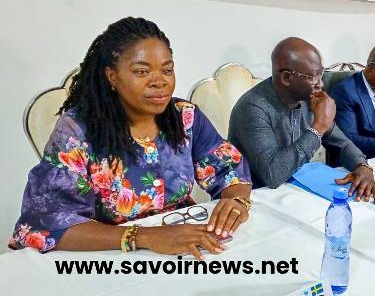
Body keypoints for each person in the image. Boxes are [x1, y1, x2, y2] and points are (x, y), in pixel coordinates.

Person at [10, 17, 252, 259]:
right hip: (109, 255)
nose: (160, 81)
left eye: (167, 70)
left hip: (186, 244)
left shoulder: (184, 117)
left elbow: (229, 168)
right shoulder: (78, 131)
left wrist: (236, 201)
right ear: (112, 76)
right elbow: (47, 223)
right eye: (141, 71)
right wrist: (145, 237)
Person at [228, 37, 375, 201]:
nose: (320, 84)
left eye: (321, 74)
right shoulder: (253, 108)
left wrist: (362, 165)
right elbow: (273, 175)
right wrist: (318, 127)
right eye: (313, 77)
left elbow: (342, 144)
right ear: (286, 78)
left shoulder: (309, 99)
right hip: (255, 198)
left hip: (297, 189)